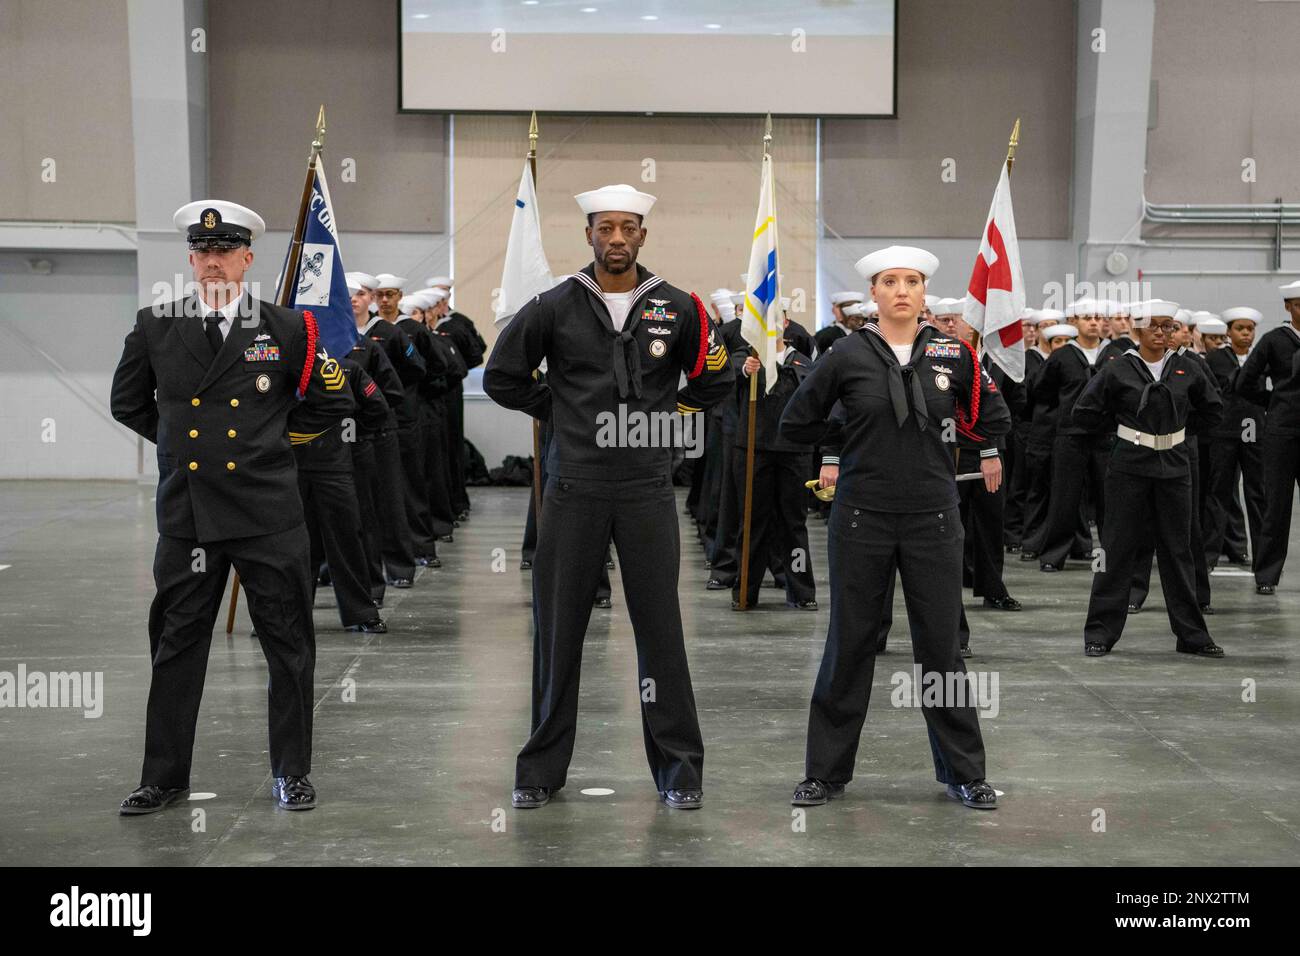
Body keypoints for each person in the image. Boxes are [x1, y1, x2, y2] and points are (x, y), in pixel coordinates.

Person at [484, 183, 735, 810]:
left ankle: (680, 772)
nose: (616, 238)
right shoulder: (553, 305)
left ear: (643, 235)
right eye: (605, 228)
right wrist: (563, 412)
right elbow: (501, 375)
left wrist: (667, 413)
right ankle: (539, 771)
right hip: (573, 487)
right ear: (589, 235)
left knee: (660, 631)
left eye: (628, 228)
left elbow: (717, 374)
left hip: (647, 488)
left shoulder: (678, 306)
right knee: (557, 630)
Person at [110, 200, 350, 813]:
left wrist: (268, 448)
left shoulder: (289, 328)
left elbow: (329, 402)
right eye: (202, 252)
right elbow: (130, 403)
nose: (213, 263)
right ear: (190, 259)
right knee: (176, 645)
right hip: (189, 517)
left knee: (289, 643)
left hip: (268, 513)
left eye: (225, 252)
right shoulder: (156, 325)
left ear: (247, 258)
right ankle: (163, 778)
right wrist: (178, 454)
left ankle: (292, 772)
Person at [779, 245, 1010, 811]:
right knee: (850, 644)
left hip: (934, 517)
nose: (902, 290)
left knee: (942, 648)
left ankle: (964, 773)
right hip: (861, 518)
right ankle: (824, 773)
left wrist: (964, 439)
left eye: (912, 281)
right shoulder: (844, 355)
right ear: (874, 294)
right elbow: (797, 421)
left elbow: (993, 418)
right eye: (890, 281)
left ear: (924, 293)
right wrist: (844, 452)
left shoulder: (954, 355)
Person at [1072, 300, 1224, 657]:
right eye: (1154, 326)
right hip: (1129, 467)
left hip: (1174, 466)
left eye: (1168, 326)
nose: (1162, 332)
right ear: (1136, 330)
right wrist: (1120, 437)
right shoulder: (1117, 369)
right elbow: (1086, 412)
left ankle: (1192, 636)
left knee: (1179, 549)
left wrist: (1178, 435)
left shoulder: (1189, 367)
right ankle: (1100, 633)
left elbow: (1213, 411)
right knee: (1117, 548)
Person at [731, 333, 817, 610]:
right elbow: (726, 373)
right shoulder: (746, 357)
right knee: (752, 523)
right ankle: (745, 590)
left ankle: (802, 592)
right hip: (755, 450)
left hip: (794, 452)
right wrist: (746, 369)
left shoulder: (804, 362)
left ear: (785, 324)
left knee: (794, 525)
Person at [350, 272, 424, 589]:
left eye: (361, 293)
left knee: (389, 499)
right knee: (347, 505)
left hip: (378, 427)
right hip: (339, 433)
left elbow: (413, 371)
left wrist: (377, 402)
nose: (354, 298)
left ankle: (398, 567)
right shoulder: (332, 335)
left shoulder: (384, 335)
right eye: (349, 293)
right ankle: (337, 568)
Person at [1032, 298, 1111, 572]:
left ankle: (1112, 555)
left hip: (1105, 437)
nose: (1093, 322)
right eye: (1086, 317)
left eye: (1098, 317)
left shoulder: (1114, 356)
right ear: (1074, 322)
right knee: (1064, 498)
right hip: (1071, 436)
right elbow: (1042, 390)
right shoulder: (1063, 356)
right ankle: (1054, 555)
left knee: (1108, 499)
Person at [1236, 281, 1300, 594]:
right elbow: (1245, 380)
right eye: (1299, 304)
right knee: (1276, 505)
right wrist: (1273, 402)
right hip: (1282, 431)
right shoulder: (1274, 341)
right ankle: (1266, 575)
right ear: (1289, 307)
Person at [1203, 307, 1265, 569]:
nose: (1246, 334)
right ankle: (1208, 556)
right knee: (1219, 493)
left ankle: (1263, 557)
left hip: (1254, 433)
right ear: (1228, 332)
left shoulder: (1261, 358)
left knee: (1258, 494)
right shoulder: (1215, 359)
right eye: (1240, 328)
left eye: (1250, 329)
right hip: (1224, 433)